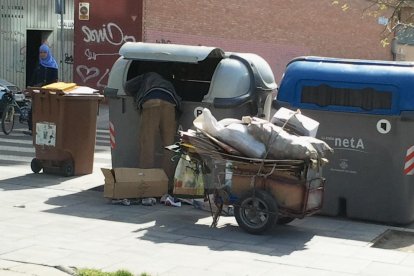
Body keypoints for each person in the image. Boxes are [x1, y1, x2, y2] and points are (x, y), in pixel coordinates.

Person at [124, 72, 181, 191]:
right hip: (170, 103)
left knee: (147, 144)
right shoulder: (169, 81)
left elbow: (127, 87)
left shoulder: (145, 76)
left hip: (152, 101)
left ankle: (146, 184)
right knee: (169, 146)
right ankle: (167, 184)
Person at [24, 44, 59, 136]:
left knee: (47, 110)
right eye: (41, 52)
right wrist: (29, 86)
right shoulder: (39, 64)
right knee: (34, 110)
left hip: (48, 92)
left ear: (48, 53)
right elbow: (34, 76)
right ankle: (32, 129)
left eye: (44, 52)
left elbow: (55, 80)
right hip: (37, 90)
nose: (42, 54)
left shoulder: (53, 65)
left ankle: (47, 129)